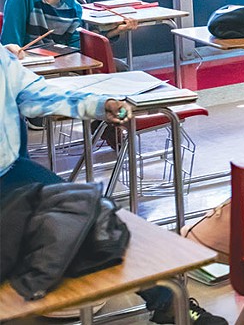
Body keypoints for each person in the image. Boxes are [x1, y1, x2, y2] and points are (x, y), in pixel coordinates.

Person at [0, 50, 225, 324]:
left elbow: (34, 93)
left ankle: (169, 305)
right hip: (13, 177)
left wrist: (97, 105)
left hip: (12, 172)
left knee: (100, 224)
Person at [2, 0, 136, 131]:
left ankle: (108, 131)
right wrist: (13, 51)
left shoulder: (73, 7)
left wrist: (112, 33)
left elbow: (76, 46)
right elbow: (9, 41)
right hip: (29, 71)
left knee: (118, 68)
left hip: (59, 67)